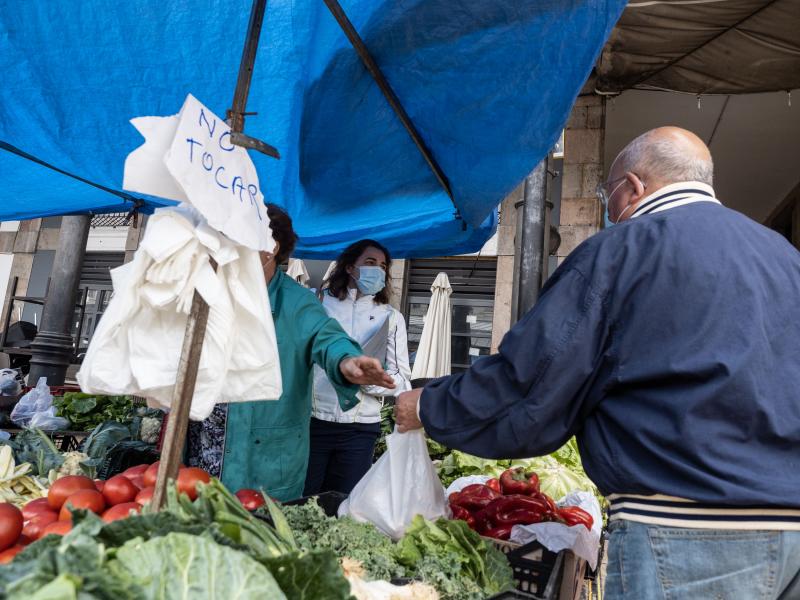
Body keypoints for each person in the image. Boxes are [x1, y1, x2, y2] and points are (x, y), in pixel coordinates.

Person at [395, 127, 800, 599]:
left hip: (684, 527)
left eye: (607, 195)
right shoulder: (786, 257)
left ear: (633, 186)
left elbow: (532, 383)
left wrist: (428, 405)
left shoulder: (621, 250)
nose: (610, 208)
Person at [187, 204, 393, 501]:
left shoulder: (298, 302)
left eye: (238, 239)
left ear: (270, 248)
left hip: (263, 458)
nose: (228, 248)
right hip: (203, 443)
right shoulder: (211, 288)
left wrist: (347, 361)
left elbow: (327, 336)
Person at [303, 240, 411, 496]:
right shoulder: (317, 305)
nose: (378, 270)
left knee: (345, 503)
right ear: (350, 267)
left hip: (360, 429)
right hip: (313, 423)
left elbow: (403, 379)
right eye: (370, 263)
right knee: (303, 499)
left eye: (383, 266)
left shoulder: (391, 317)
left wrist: (369, 380)